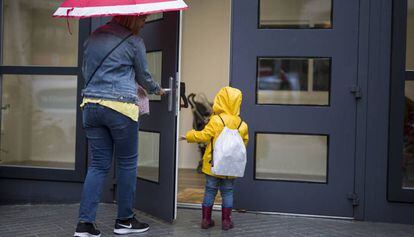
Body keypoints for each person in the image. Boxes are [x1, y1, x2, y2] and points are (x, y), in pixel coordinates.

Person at [74, 15, 165, 237]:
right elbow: (143, 76)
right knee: (126, 163)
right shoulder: (134, 42)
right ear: (131, 18)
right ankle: (124, 221)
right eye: (142, 19)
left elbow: (86, 72)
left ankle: (84, 225)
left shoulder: (91, 38)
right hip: (120, 108)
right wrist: (156, 89)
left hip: (91, 106)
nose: (144, 23)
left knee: (97, 165)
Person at [181, 86, 249, 230]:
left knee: (210, 191)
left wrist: (188, 136)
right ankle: (226, 221)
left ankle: (206, 220)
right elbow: (244, 144)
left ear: (221, 100)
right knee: (228, 192)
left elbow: (203, 136)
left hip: (212, 165)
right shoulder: (242, 124)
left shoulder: (216, 120)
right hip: (230, 167)